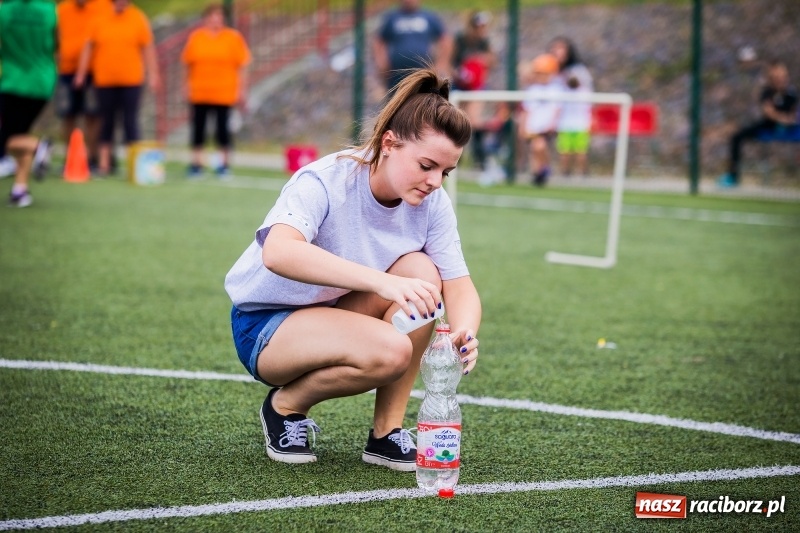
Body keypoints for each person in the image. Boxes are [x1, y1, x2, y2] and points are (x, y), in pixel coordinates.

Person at [224, 67, 482, 470]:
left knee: (422, 273)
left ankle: (386, 434)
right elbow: (278, 252)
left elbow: (459, 284)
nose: (435, 182)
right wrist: (381, 282)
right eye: (427, 165)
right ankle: (285, 406)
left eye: (445, 172)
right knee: (392, 346)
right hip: (265, 325)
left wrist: (465, 332)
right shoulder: (326, 179)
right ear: (389, 143)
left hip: (333, 313)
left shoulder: (433, 204)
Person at [74, 0, 159, 177]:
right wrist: (81, 73)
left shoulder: (137, 18)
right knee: (107, 121)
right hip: (105, 80)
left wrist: (153, 74)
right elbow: (88, 46)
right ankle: (104, 164)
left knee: (130, 121)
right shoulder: (99, 18)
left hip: (131, 80)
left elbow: (148, 48)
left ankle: (134, 165)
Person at [181, 3, 251, 178]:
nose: (215, 20)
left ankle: (223, 164)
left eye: (219, 17)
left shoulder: (233, 38)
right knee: (198, 129)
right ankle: (197, 164)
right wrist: (186, 86)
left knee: (222, 131)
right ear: (206, 19)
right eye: (212, 17)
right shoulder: (197, 37)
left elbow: (242, 66)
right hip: (200, 92)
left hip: (224, 93)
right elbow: (187, 64)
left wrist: (241, 90)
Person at [0, 0, 57, 207]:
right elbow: (56, 44)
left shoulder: (5, 11)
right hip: (42, 82)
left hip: (14, 82)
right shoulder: (49, 10)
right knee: (19, 134)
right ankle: (20, 190)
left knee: (5, 140)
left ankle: (39, 146)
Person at [718, 60, 798, 187]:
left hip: (790, 128)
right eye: (777, 76)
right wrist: (781, 118)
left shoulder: (791, 93)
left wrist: (785, 120)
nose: (780, 79)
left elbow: (793, 115)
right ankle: (732, 176)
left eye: (782, 76)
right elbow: (768, 112)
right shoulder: (768, 92)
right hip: (768, 126)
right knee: (736, 136)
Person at [56, 0, 113, 173]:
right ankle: (70, 158)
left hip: (93, 71)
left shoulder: (103, 7)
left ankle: (91, 157)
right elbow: (54, 37)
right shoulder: (62, 10)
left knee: (93, 115)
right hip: (66, 70)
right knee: (68, 114)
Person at [373, 0, 452, 93]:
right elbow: (379, 41)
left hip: (423, 72)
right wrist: (381, 61)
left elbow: (446, 40)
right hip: (397, 73)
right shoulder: (392, 18)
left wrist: (441, 63)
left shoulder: (428, 17)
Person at [451, 10, 495, 173]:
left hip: (476, 86)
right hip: (460, 85)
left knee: (474, 121)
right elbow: (450, 62)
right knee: (457, 120)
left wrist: (480, 62)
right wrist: (460, 73)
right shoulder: (460, 40)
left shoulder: (485, 43)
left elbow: (491, 62)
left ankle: (480, 159)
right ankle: (455, 158)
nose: (481, 29)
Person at [548, 36, 593, 177]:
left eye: (560, 48)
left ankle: (584, 175)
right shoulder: (553, 72)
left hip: (579, 117)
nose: (557, 52)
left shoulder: (577, 70)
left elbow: (575, 84)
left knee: (581, 149)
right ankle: (565, 175)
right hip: (564, 117)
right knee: (564, 149)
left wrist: (566, 76)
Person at [518, 54, 561, 186]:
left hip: (546, 127)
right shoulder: (533, 90)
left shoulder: (555, 90)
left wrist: (553, 123)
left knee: (539, 146)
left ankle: (545, 168)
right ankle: (538, 175)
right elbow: (527, 110)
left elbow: (556, 109)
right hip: (534, 126)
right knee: (534, 150)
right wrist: (523, 126)